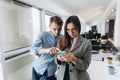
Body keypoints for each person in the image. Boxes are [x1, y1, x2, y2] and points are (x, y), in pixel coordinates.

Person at [56, 15, 92, 80]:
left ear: (78, 28)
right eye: (68, 30)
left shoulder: (86, 43)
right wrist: (58, 59)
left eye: (73, 29)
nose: (70, 33)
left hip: (78, 77)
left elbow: (85, 65)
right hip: (62, 76)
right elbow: (55, 58)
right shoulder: (61, 41)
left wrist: (74, 59)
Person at [30, 16, 63, 80]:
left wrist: (60, 53)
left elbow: (64, 52)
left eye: (59, 29)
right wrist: (46, 50)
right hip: (37, 68)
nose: (57, 32)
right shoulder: (43, 35)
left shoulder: (62, 38)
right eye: (54, 29)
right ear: (49, 26)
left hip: (49, 72)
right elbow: (32, 50)